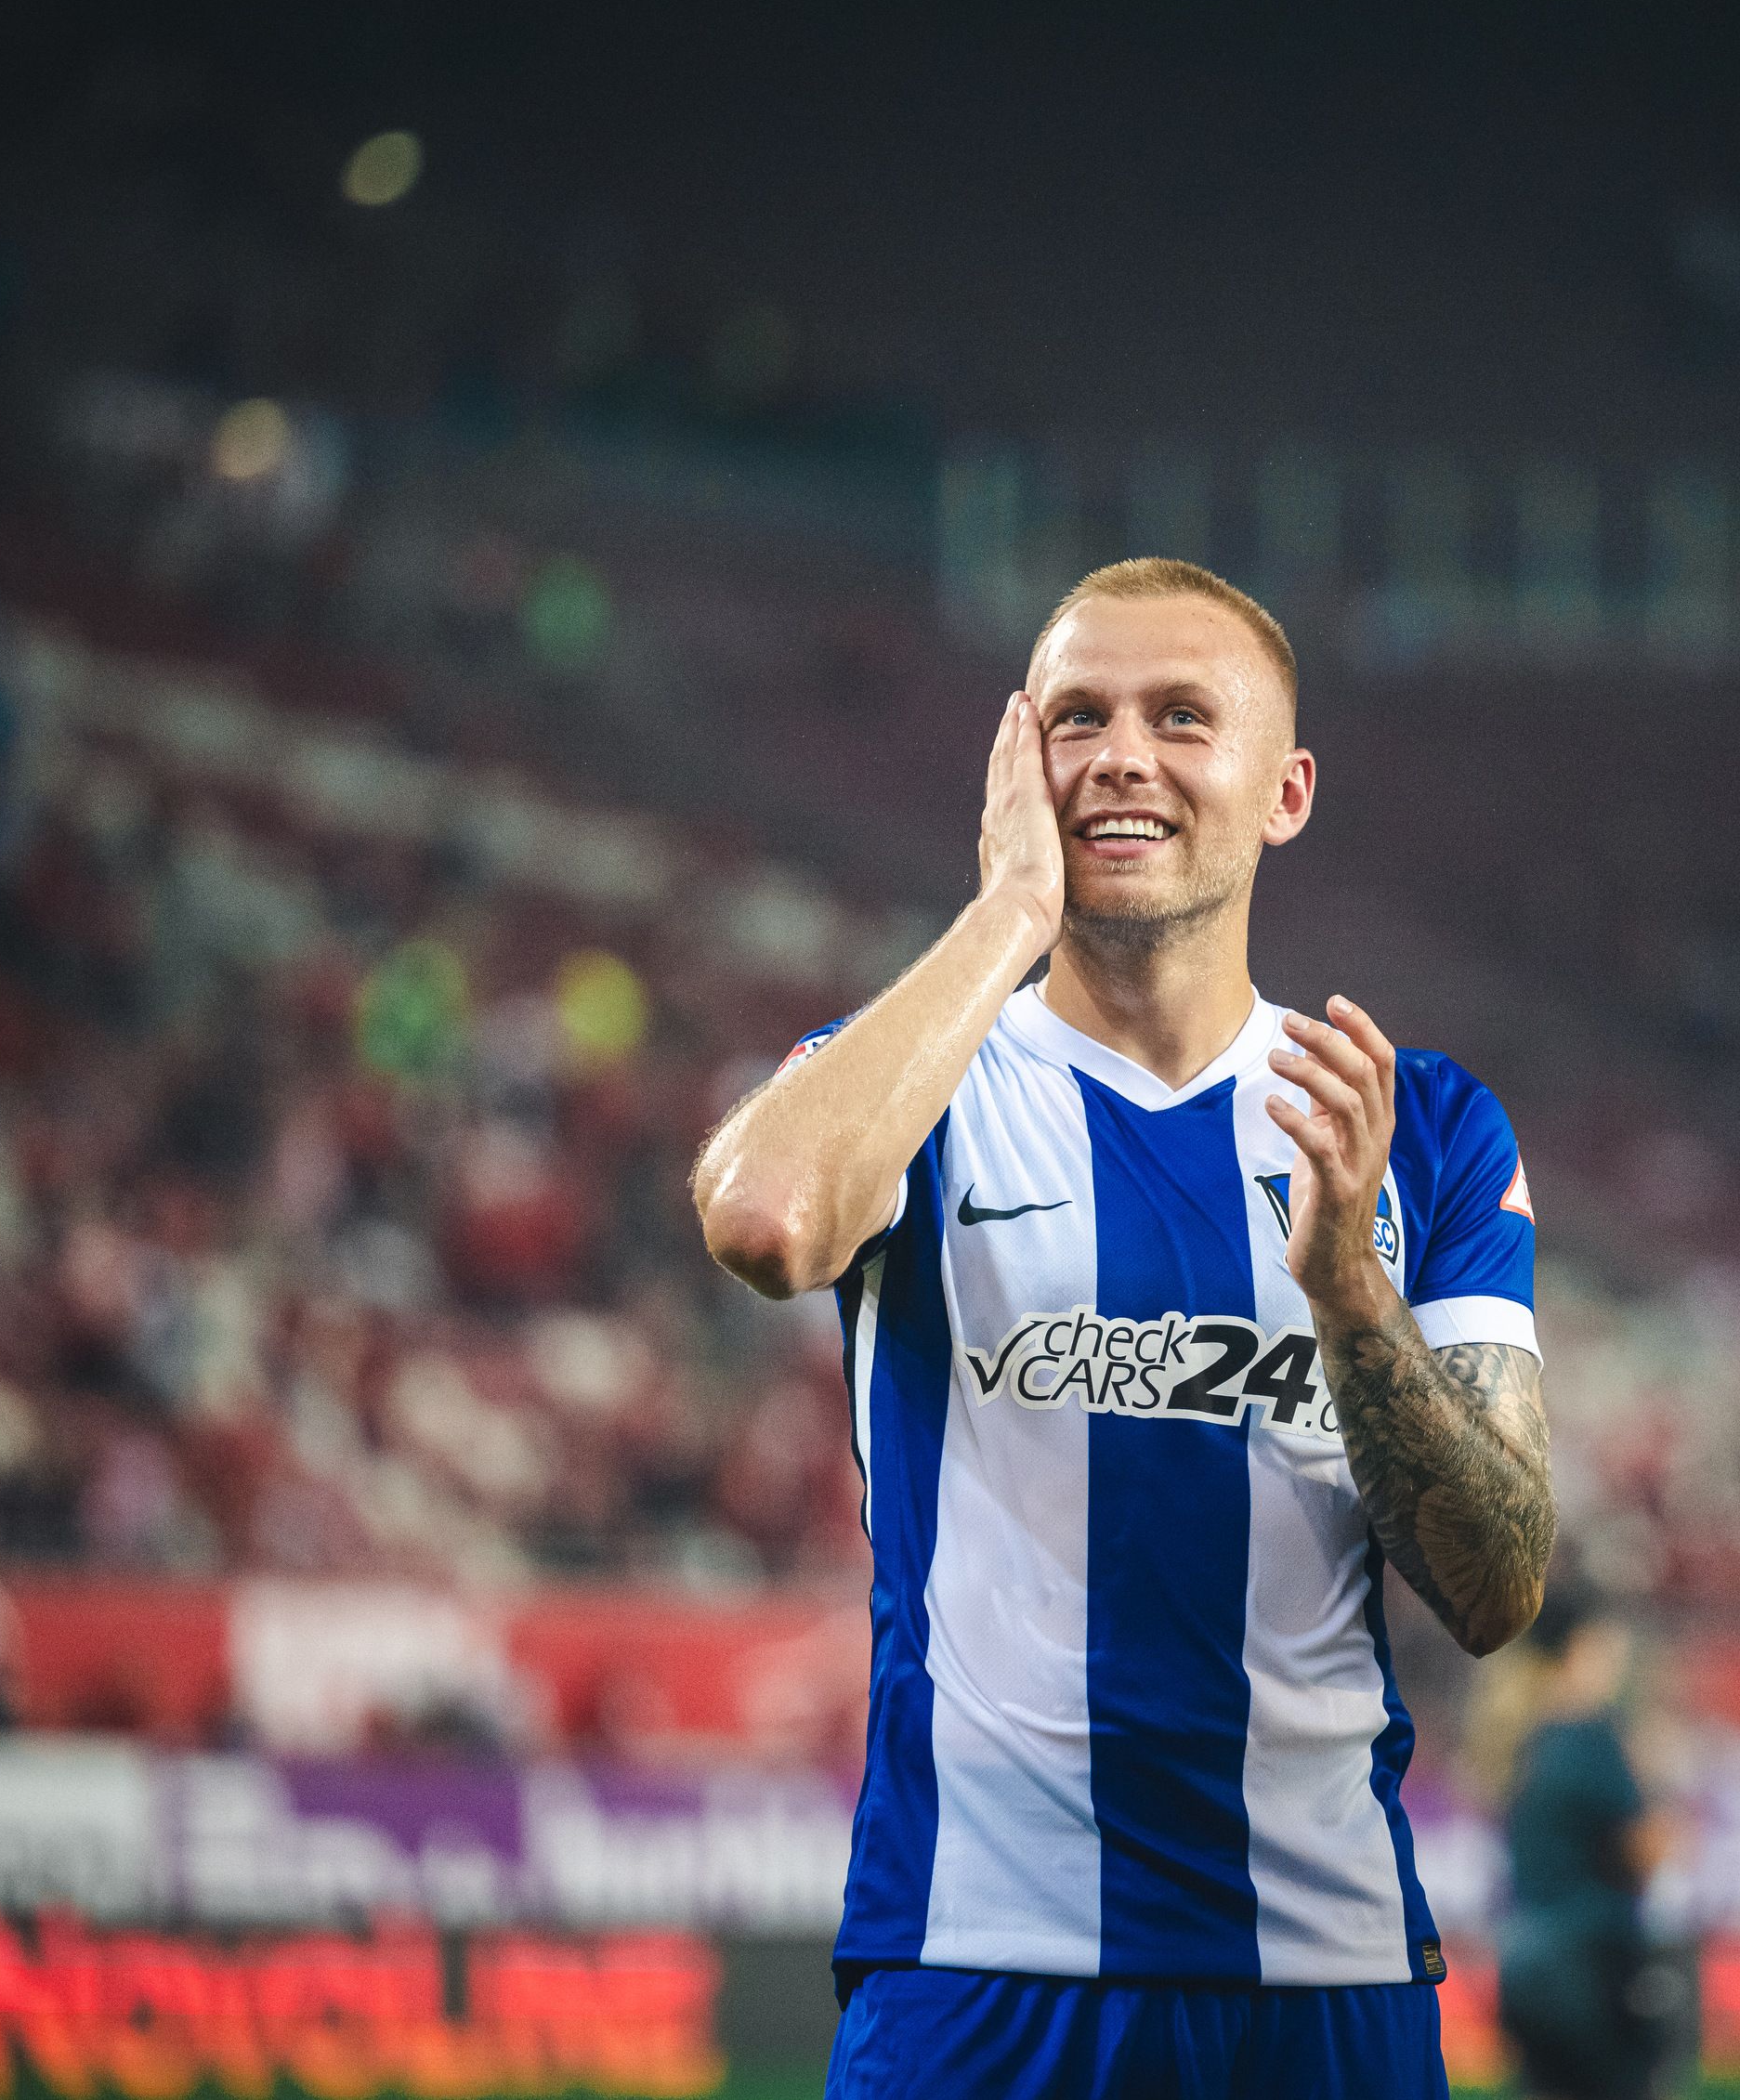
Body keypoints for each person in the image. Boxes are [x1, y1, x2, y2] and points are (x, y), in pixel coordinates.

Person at [692, 556, 1553, 2099]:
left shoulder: (1417, 1125)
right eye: (1076, 717)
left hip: (1322, 1981)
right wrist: (1007, 909)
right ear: (1020, 761)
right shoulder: (916, 1080)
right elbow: (764, 1217)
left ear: (1285, 792)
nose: (1121, 756)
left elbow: (1498, 1582)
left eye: (1180, 716)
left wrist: (1351, 1287)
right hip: (975, 1966)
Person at [1497, 1577, 1674, 2100]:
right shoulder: (1592, 1735)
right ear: (1582, 1647)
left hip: (1524, 1966)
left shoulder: (1518, 1736)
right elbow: (1644, 1852)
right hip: (1592, 1970)